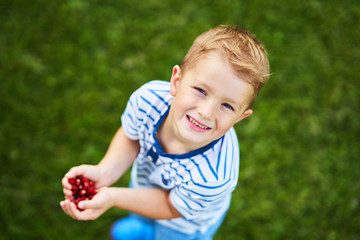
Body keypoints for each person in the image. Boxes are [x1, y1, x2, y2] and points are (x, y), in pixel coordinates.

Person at [60, 25, 270, 240]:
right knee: (140, 215)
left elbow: (170, 207)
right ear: (176, 82)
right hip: (144, 185)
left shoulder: (215, 177)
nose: (206, 112)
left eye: (227, 106)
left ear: (240, 117)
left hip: (182, 224)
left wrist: (113, 196)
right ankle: (143, 229)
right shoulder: (147, 100)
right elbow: (131, 137)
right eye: (201, 91)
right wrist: (105, 172)